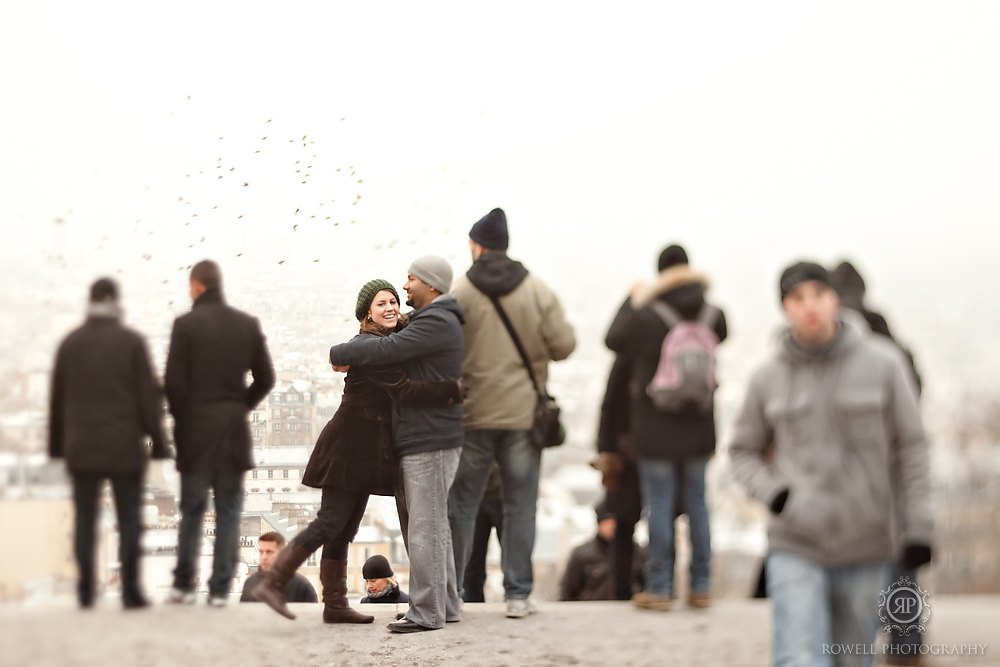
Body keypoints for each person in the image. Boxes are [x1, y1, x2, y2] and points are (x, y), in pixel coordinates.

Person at [728, 261, 933, 667]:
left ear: (835, 299)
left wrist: (919, 526)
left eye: (818, 295)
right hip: (795, 541)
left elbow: (912, 448)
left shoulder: (884, 365)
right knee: (801, 656)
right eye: (797, 298)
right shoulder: (767, 377)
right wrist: (776, 495)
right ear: (784, 307)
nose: (810, 308)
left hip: (867, 542)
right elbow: (741, 451)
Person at [252, 279, 462, 623]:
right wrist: (451, 391)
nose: (391, 307)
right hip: (348, 446)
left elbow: (406, 333)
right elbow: (405, 391)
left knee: (344, 528)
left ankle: (334, 605)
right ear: (366, 312)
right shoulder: (371, 348)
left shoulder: (384, 342)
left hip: (364, 451)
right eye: (381, 303)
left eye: (394, 300)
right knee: (330, 521)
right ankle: (275, 582)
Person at [448, 207, 577, 619]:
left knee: (463, 503)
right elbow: (564, 345)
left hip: (475, 414)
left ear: (477, 247)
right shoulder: (537, 290)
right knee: (520, 504)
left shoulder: (461, 292)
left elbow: (444, 348)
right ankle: (518, 594)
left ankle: (449, 595)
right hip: (522, 416)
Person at [328, 256, 465, 634]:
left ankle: (426, 612)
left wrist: (339, 353)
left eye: (410, 280)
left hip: (430, 438)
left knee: (425, 528)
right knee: (435, 527)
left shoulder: (435, 320)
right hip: (430, 436)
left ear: (431, 284)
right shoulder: (429, 320)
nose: (405, 288)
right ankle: (447, 605)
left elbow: (386, 352)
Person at [604, 244, 727, 611]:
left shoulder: (646, 316)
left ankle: (659, 587)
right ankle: (702, 585)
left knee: (659, 505)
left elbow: (613, 340)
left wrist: (632, 299)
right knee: (698, 505)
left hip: (654, 428)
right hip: (700, 424)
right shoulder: (713, 313)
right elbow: (723, 337)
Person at [49, 277, 169, 609]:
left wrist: (57, 448)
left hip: (82, 448)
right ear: (116, 302)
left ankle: (86, 591)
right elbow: (148, 399)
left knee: (86, 519)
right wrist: (159, 444)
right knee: (129, 519)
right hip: (123, 447)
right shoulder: (130, 343)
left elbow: (57, 401)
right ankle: (130, 591)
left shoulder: (70, 344)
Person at [831, 259, 928, 667]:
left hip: (847, 465)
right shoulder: (888, 336)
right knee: (899, 554)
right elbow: (915, 390)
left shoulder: (836, 339)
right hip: (890, 464)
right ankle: (906, 638)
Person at [165, 260, 276, 607]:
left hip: (196, 431)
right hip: (231, 429)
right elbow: (266, 377)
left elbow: (172, 383)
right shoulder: (245, 324)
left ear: (196, 286)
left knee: (193, 510)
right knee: (229, 512)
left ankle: (184, 585)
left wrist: (185, 417)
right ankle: (219, 588)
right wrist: (238, 405)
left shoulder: (185, 325)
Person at [590, 355, 646, 600]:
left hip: (624, 452)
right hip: (660, 451)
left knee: (623, 525)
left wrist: (606, 447)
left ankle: (622, 591)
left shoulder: (628, 353)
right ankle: (662, 587)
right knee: (662, 520)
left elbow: (609, 403)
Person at [559, 499, 645, 601]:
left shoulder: (638, 552)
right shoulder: (581, 554)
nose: (612, 526)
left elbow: (645, 586)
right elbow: (568, 591)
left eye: (616, 521)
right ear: (599, 523)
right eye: (608, 521)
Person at [461, 462, 503, 603]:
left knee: (512, 557)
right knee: (471, 560)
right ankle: (471, 601)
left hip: (504, 494)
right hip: (473, 494)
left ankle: (516, 598)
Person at [240, 532, 317, 604]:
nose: (264, 557)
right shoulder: (250, 583)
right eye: (261, 552)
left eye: (269, 552)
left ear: (282, 553)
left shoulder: (301, 585)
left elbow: (312, 615)